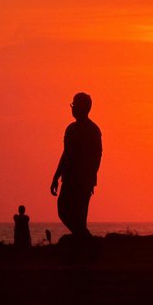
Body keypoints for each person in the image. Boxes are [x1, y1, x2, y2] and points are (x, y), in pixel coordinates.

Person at [50, 92, 102, 238]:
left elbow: (96, 157)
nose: (72, 108)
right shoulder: (70, 129)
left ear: (84, 107)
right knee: (63, 210)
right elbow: (66, 154)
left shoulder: (93, 130)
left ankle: (84, 243)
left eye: (75, 105)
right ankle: (84, 238)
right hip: (69, 179)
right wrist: (56, 176)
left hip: (83, 181)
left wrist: (90, 179)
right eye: (72, 105)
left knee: (80, 215)